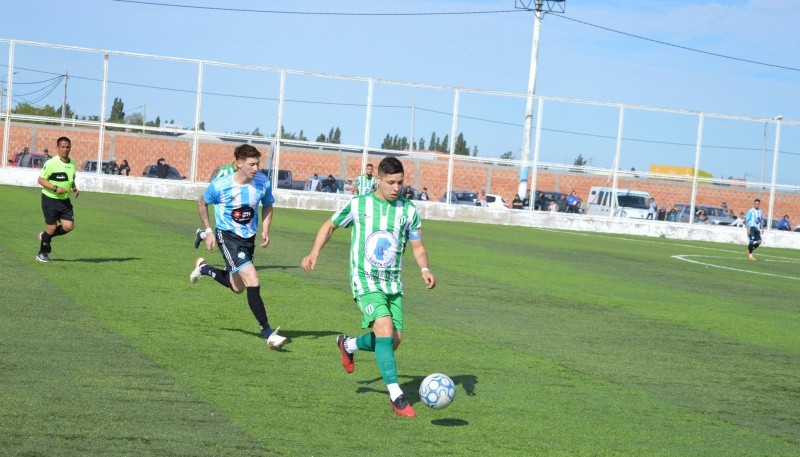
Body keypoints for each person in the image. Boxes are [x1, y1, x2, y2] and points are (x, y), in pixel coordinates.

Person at [301, 156, 436, 418]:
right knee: (384, 328)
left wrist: (425, 269)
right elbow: (329, 226)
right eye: (390, 182)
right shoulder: (359, 204)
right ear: (378, 179)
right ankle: (397, 396)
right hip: (365, 280)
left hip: (393, 283)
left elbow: (418, 245)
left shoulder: (408, 210)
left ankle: (348, 345)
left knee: (393, 340)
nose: (396, 188)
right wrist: (314, 252)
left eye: (400, 182)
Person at [189, 144, 288, 350]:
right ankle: (269, 333)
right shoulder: (221, 185)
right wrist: (208, 231)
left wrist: (266, 230)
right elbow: (201, 202)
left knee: (237, 287)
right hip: (228, 237)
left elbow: (268, 204)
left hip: (248, 239)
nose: (256, 168)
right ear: (239, 163)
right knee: (252, 279)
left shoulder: (262, 182)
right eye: (251, 164)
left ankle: (204, 269)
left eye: (257, 163)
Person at [36, 137, 79, 263]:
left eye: (68, 147)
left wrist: (74, 187)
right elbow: (41, 180)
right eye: (63, 147)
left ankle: (44, 237)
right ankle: (41, 254)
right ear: (58, 147)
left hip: (65, 201)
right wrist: (55, 188)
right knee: (51, 228)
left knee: (68, 226)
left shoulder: (73, 163)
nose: (66, 149)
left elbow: (70, 178)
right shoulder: (51, 163)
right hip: (50, 199)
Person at [194, 160, 241, 248]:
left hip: (239, 204)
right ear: (239, 161)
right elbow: (214, 186)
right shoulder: (225, 172)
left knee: (233, 235)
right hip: (226, 204)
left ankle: (202, 234)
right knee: (228, 235)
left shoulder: (246, 172)